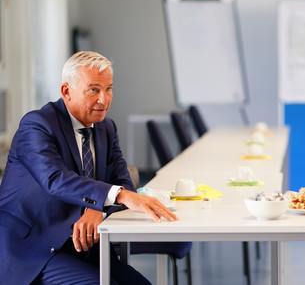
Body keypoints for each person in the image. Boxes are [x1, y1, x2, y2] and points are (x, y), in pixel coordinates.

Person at [0, 51, 178, 285]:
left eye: (109, 89)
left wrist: (97, 209)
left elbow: (123, 181)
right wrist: (119, 195)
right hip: (33, 247)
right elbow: (55, 179)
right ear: (66, 91)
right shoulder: (37, 125)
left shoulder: (106, 128)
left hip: (83, 244)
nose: (103, 100)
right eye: (93, 89)